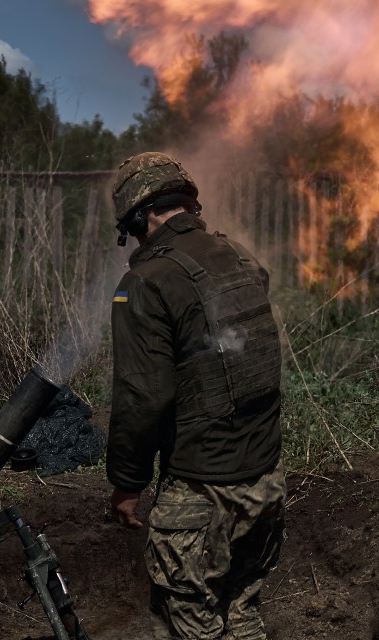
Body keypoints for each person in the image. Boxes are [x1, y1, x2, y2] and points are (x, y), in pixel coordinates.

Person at [107, 151, 286, 640]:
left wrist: (127, 483)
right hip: (267, 482)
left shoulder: (144, 282)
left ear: (140, 216)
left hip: (202, 489)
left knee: (185, 620)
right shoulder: (242, 257)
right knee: (242, 609)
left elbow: (142, 396)